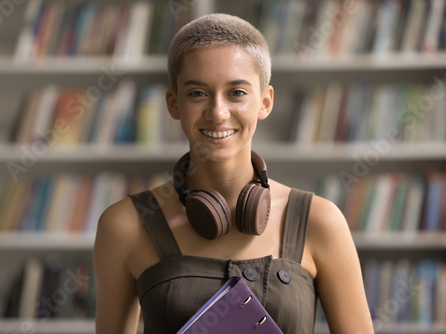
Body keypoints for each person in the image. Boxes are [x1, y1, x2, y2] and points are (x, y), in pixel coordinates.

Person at [94, 13, 373, 334]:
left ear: (265, 102)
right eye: (197, 93)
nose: (217, 112)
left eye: (237, 92)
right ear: (173, 104)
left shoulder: (320, 221)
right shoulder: (125, 225)